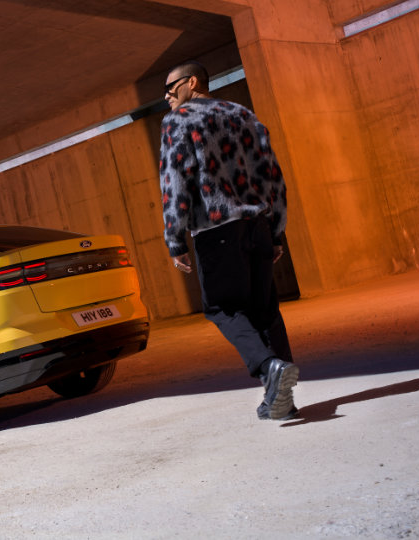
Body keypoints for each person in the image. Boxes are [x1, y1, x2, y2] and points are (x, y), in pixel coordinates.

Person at [157, 61, 299, 420]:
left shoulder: (181, 120)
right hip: (257, 224)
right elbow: (272, 174)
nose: (167, 97)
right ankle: (282, 397)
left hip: (217, 228)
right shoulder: (243, 115)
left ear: (192, 83)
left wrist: (175, 238)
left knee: (222, 309)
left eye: (171, 89)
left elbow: (175, 181)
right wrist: (276, 229)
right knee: (265, 311)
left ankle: (269, 369)